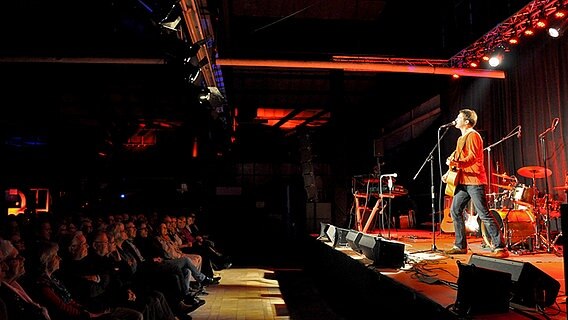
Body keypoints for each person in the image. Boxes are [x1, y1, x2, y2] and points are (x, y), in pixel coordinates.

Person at [441, 109, 509, 258]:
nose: (455, 120)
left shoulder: (473, 135)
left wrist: (455, 162)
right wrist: (448, 172)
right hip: (463, 181)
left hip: (474, 181)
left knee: (484, 213)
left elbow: (471, 158)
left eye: (458, 117)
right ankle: (460, 246)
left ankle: (500, 247)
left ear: (466, 121)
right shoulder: (461, 139)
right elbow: (456, 159)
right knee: (455, 210)